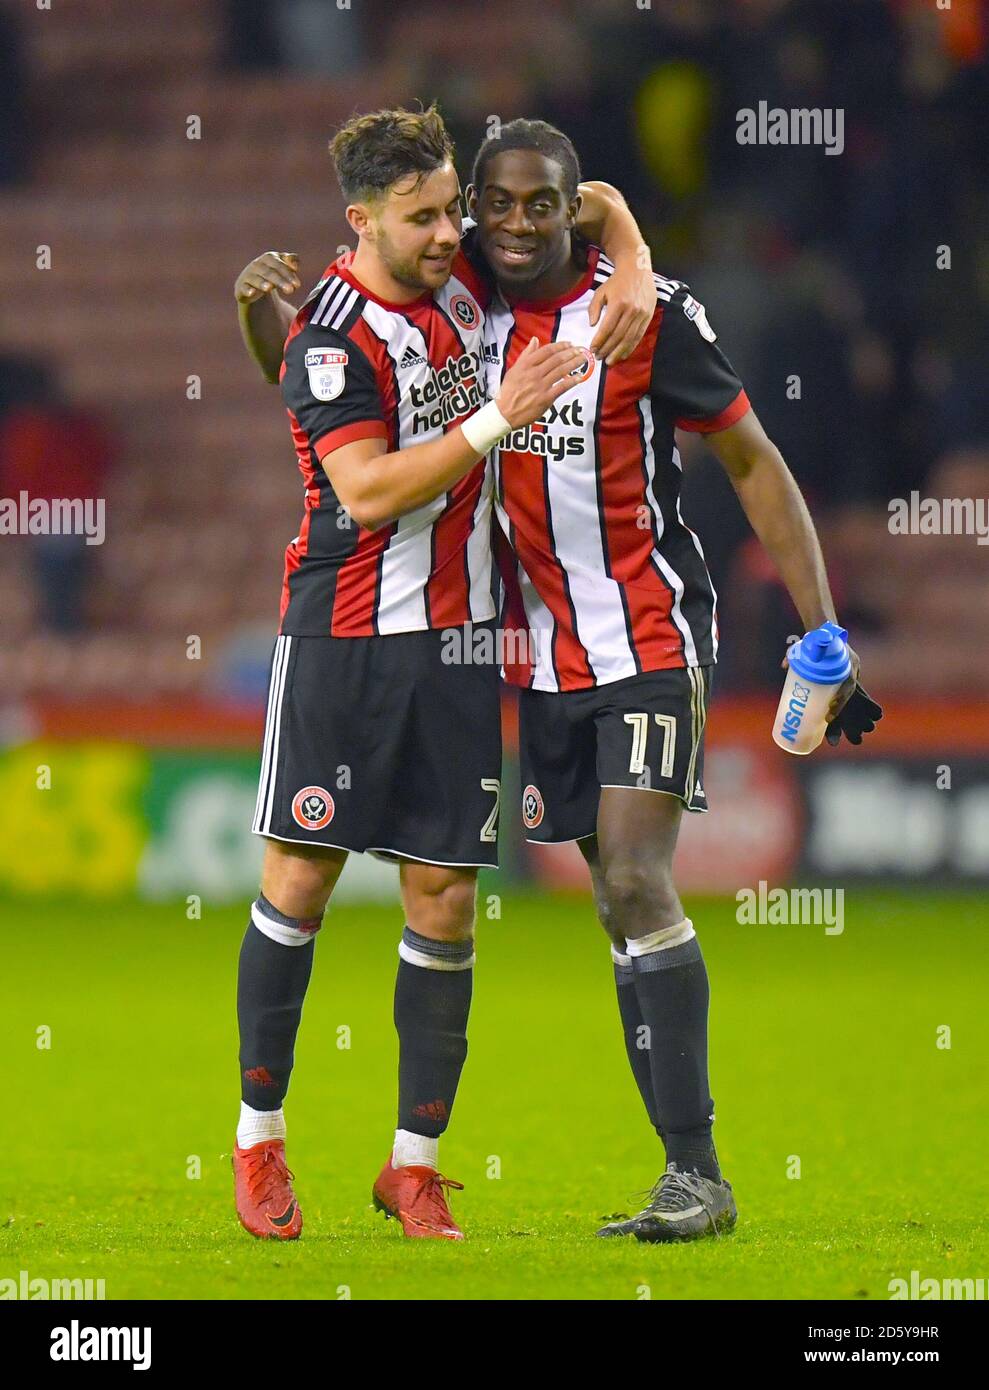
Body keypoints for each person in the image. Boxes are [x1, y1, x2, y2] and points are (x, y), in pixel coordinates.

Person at [231, 105, 658, 1242]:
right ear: (359, 219)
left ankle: (411, 1165)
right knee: (300, 886)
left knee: (445, 901)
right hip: (344, 639)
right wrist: (494, 417)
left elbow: (589, 201)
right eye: (421, 217)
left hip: (464, 639)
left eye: (450, 210)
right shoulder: (331, 335)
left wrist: (638, 260)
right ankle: (259, 1141)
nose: (448, 234)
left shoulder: (462, 268)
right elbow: (367, 490)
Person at [465, 118, 882, 1243]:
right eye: (495, 203)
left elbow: (752, 459)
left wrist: (821, 632)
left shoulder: (645, 315)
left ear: (567, 211)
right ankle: (679, 1172)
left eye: (539, 205)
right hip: (538, 661)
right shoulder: (460, 297)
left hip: (648, 640)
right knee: (612, 905)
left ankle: (699, 1174)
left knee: (638, 882)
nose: (515, 223)